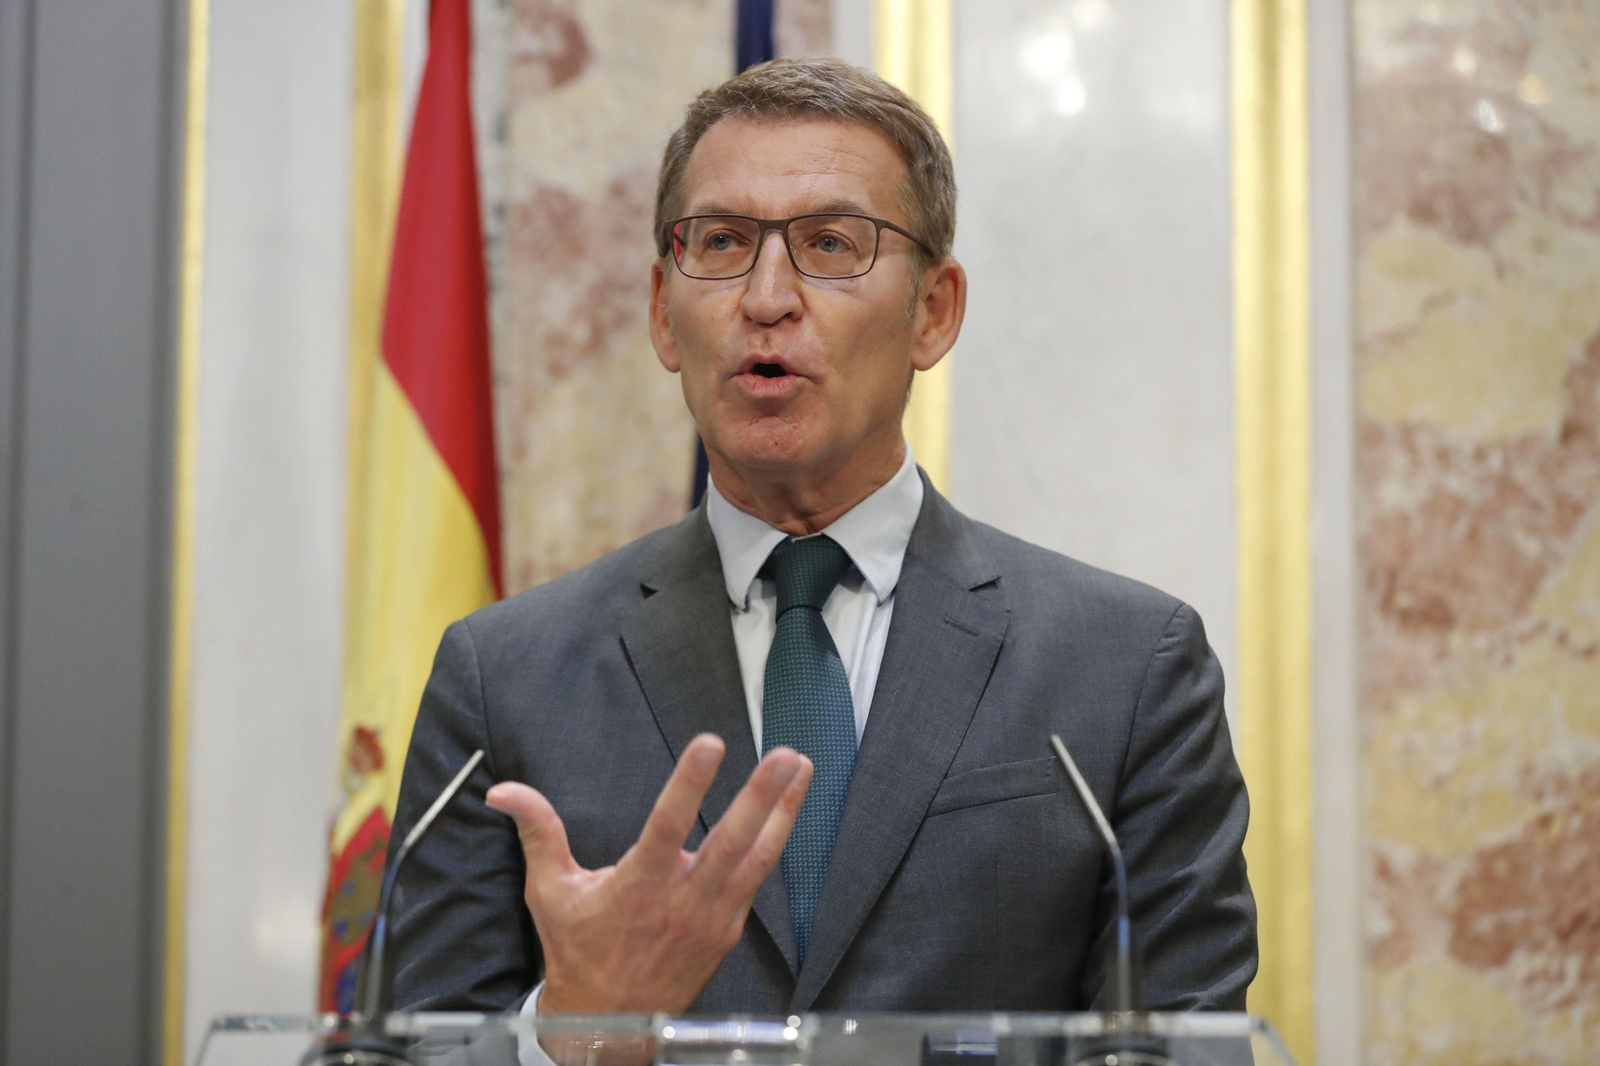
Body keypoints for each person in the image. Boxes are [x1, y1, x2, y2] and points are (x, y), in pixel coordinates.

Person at [388, 56, 1256, 1022]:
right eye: (722, 242)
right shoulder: (504, 679)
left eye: (831, 244)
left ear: (934, 312)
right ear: (662, 313)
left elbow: (1185, 1039)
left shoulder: (1125, 670)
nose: (767, 297)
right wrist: (574, 1030)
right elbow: (420, 1042)